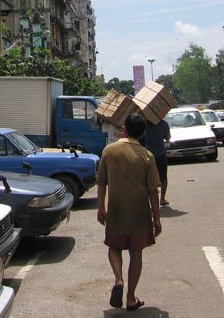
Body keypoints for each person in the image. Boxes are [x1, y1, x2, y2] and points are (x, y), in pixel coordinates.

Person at [97, 113, 162, 311]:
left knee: (114, 247)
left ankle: (118, 279)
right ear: (142, 133)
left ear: (123, 129)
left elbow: (101, 183)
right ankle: (131, 298)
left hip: (116, 210)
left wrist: (101, 207)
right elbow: (153, 191)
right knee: (136, 253)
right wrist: (157, 219)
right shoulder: (147, 155)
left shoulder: (109, 151)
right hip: (139, 214)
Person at [144, 117, 171, 205]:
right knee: (163, 177)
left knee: (148, 178)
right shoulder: (164, 124)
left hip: (148, 154)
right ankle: (162, 199)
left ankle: (149, 200)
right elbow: (167, 139)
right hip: (161, 154)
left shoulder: (145, 124)